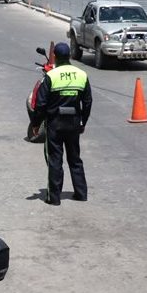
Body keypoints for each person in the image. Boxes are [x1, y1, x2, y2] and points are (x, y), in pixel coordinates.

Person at [29, 42, 92, 206]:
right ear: (69, 56)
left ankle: (54, 198)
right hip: (74, 123)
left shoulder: (51, 76)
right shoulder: (81, 75)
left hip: (55, 124)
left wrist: (36, 124)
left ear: (55, 57)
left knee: (55, 160)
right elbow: (87, 102)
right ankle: (81, 193)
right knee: (75, 158)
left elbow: (41, 104)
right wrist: (83, 122)